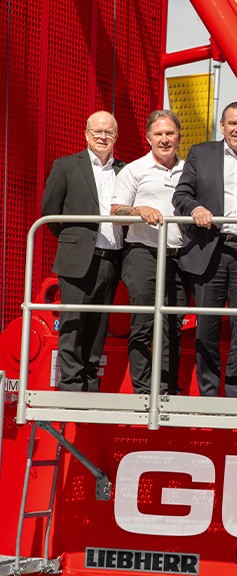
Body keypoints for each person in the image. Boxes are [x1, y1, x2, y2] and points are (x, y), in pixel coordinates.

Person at [172, 102, 237, 398]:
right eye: (233, 124)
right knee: (206, 327)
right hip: (208, 248)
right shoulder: (201, 153)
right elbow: (181, 194)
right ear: (222, 126)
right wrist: (196, 207)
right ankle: (209, 394)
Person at [41, 111, 126, 392]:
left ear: (116, 136)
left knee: (99, 325)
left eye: (109, 132)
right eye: (97, 132)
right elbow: (50, 212)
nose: (103, 137)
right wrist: (74, 241)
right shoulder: (66, 166)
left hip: (112, 259)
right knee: (74, 323)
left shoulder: (124, 171)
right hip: (78, 258)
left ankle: (90, 380)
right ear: (86, 134)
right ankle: (72, 383)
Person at [111, 110, 190, 395]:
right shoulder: (134, 170)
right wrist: (138, 210)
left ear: (179, 136)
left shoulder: (189, 170)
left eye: (170, 133)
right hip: (144, 253)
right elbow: (115, 211)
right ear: (148, 138)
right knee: (144, 321)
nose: (165, 139)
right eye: (159, 134)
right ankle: (144, 388)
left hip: (179, 257)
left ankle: (167, 388)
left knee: (173, 324)